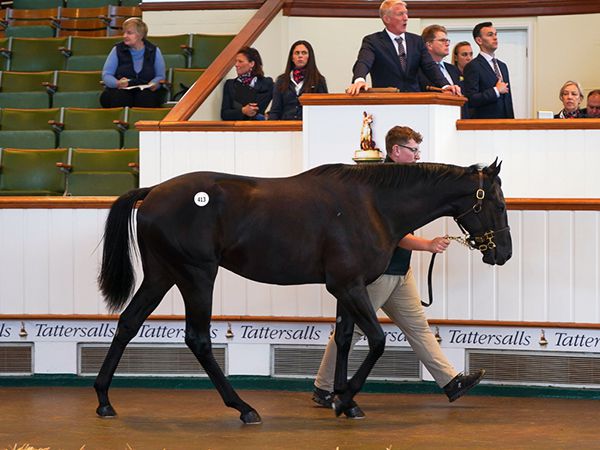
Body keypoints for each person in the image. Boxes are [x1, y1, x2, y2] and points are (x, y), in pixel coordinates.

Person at [312, 125, 486, 411]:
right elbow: (387, 233)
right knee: (353, 329)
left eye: (419, 150)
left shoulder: (403, 182)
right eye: (413, 150)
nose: (418, 156)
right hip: (378, 272)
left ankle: (451, 381)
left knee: (418, 327)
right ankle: (324, 386)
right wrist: (427, 245)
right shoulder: (380, 184)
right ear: (396, 151)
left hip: (400, 272)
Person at [346, 0, 460, 96]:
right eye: (400, 14)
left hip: (414, 100)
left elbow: (430, 66)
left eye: (406, 13)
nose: (406, 18)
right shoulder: (373, 41)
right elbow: (364, 62)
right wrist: (359, 80)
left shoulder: (416, 41)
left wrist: (445, 85)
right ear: (387, 19)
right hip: (387, 100)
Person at [100, 18, 166, 108]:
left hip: (146, 90)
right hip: (122, 89)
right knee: (121, 96)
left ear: (140, 35)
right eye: (124, 33)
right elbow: (107, 75)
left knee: (146, 97)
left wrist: (154, 83)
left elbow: (160, 76)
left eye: (129, 33)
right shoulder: (117, 49)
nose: (125, 36)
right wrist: (117, 83)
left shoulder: (153, 50)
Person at [463, 22, 514, 119]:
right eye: (490, 35)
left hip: (506, 124)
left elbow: (508, 99)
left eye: (495, 34)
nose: (495, 38)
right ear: (479, 40)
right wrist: (496, 91)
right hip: (485, 124)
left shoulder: (502, 66)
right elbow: (471, 99)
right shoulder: (473, 66)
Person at [268, 40, 327, 120]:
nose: (300, 56)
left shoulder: (319, 80)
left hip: (310, 126)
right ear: (292, 58)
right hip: (286, 127)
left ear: (310, 57)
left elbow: (323, 109)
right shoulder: (281, 80)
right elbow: (275, 110)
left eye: (304, 53)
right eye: (297, 53)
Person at [418, 25, 468, 118]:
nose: (447, 44)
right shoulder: (419, 71)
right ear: (429, 45)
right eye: (442, 40)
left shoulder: (453, 69)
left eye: (447, 40)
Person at [221, 47, 273, 121]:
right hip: (237, 129)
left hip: (259, 129)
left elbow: (280, 105)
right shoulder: (230, 84)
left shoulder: (267, 83)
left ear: (252, 63)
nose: (236, 64)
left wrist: (268, 116)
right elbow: (224, 114)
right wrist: (243, 111)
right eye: (236, 61)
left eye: (240, 61)